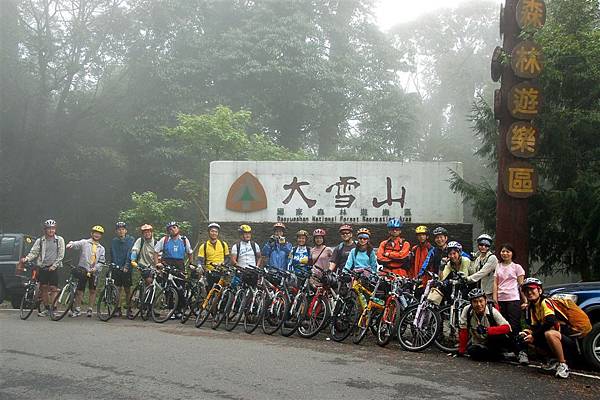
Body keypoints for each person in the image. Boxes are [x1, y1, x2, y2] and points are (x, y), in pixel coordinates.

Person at [520, 278, 578, 378]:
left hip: (567, 343)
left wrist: (533, 335)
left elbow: (550, 321)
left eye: (532, 289)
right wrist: (528, 333)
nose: (529, 292)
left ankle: (563, 365)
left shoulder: (545, 302)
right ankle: (553, 361)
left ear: (540, 290)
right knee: (526, 335)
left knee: (549, 334)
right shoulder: (531, 307)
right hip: (556, 341)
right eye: (526, 290)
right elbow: (535, 327)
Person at [20, 219, 65, 316]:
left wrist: (54, 266)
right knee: (43, 288)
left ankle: (54, 308)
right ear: (45, 230)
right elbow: (34, 252)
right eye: (49, 229)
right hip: (43, 267)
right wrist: (27, 259)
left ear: (55, 229)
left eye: (53, 229)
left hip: (53, 267)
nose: (51, 231)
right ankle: (47, 308)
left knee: (53, 288)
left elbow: (61, 255)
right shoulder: (40, 241)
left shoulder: (59, 240)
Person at [493, 243, 528, 364]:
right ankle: (510, 350)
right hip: (501, 299)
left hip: (513, 299)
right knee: (503, 325)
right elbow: (495, 283)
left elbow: (521, 285)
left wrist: (525, 300)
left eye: (508, 251)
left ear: (512, 253)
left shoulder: (517, 267)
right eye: (503, 251)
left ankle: (521, 351)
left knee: (515, 325)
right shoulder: (498, 266)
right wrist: (495, 298)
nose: (505, 253)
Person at [458, 288, 512, 360]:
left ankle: (501, 354)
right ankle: (501, 356)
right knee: (472, 351)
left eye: (481, 301)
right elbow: (463, 331)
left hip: (493, 340)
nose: (479, 304)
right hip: (479, 343)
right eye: (475, 302)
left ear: (485, 301)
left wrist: (487, 330)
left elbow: (507, 328)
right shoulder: (467, 310)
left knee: (496, 337)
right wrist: (461, 350)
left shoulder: (492, 311)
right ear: (471, 303)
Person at [154, 221, 193, 319]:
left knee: (180, 287)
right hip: (167, 263)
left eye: (174, 227)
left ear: (178, 228)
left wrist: (191, 264)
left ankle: (179, 310)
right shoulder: (165, 239)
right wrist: (157, 264)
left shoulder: (184, 240)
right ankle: (171, 308)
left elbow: (190, 252)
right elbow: (155, 252)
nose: (173, 230)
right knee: (168, 288)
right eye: (170, 229)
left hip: (180, 265)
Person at [66, 225, 106, 317]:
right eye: (95, 233)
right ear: (91, 233)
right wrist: (70, 244)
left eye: (99, 234)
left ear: (101, 236)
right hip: (83, 269)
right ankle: (77, 309)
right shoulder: (85, 242)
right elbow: (76, 244)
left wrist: (95, 268)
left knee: (92, 290)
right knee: (80, 290)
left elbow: (101, 261)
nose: (97, 235)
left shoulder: (101, 248)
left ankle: (90, 309)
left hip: (94, 271)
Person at [110, 221, 135, 317]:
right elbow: (112, 253)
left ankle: (129, 309)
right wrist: (113, 265)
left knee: (128, 289)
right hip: (117, 267)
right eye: (119, 229)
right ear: (116, 231)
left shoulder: (131, 240)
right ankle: (118, 308)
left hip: (127, 267)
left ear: (126, 231)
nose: (121, 231)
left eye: (123, 229)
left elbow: (130, 253)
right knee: (117, 289)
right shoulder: (114, 241)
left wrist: (127, 265)